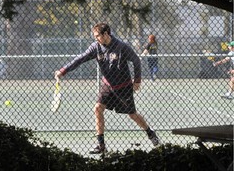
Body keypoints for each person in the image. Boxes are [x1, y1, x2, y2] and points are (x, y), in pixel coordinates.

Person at [54, 23, 161, 154]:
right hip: (107, 85)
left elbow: (136, 60)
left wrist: (137, 80)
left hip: (124, 87)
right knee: (98, 109)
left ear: (106, 34)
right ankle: (101, 145)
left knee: (132, 114)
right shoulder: (95, 47)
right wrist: (63, 71)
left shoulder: (121, 47)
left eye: (97, 35)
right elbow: (80, 59)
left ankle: (150, 133)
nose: (96, 38)